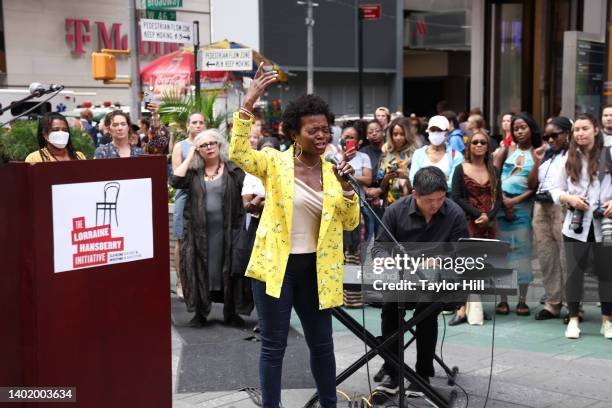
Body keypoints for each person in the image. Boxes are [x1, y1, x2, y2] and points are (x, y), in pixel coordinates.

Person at [229, 64, 359, 408]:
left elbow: (350, 223)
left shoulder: (334, 172)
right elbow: (239, 154)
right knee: (274, 345)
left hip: (317, 269)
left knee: (322, 345)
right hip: (278, 267)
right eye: (313, 130)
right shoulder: (274, 163)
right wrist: (249, 102)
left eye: (326, 130)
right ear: (293, 133)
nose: (322, 136)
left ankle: (330, 404)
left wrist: (347, 190)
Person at [373, 166, 470, 393]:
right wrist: (401, 263)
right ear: (415, 193)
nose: (435, 205)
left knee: (427, 311)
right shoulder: (395, 211)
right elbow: (378, 250)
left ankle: (422, 374)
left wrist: (440, 261)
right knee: (390, 310)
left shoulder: (454, 213)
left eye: (440, 198)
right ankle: (393, 370)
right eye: (429, 200)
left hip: (436, 284)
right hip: (401, 280)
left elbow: (463, 253)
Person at [170, 128, 252, 327]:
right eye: (203, 145)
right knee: (199, 269)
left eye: (212, 143)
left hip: (229, 231)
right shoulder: (194, 173)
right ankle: (200, 313)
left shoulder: (233, 170)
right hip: (200, 233)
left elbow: (250, 190)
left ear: (220, 145)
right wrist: (189, 155)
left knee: (230, 269)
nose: (209, 148)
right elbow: (175, 180)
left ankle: (231, 313)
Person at [550, 113, 612, 339]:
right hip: (575, 226)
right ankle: (573, 319)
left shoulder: (609, 154)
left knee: (607, 275)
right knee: (574, 275)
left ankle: (607, 321)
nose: (580, 133)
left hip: (604, 225)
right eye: (577, 129)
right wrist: (570, 199)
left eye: (585, 128)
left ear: (596, 129)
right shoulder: (568, 158)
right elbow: (554, 190)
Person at [449, 131, 502, 325]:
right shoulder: (460, 168)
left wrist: (489, 216)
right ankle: (461, 308)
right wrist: (477, 214)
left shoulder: (494, 170)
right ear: (469, 146)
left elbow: (499, 200)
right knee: (464, 267)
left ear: (488, 146)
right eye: (475, 142)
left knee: (482, 267)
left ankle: (476, 307)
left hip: (488, 224)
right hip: (467, 223)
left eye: (483, 142)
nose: (479, 145)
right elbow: (456, 197)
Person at [493, 113, 541, 316]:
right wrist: (503, 201)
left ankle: (522, 300)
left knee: (522, 254)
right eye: (516, 128)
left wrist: (514, 201)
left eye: (523, 127)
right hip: (501, 205)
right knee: (501, 253)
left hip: (522, 208)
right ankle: (503, 299)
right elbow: (494, 178)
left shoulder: (538, 152)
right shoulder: (505, 151)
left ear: (531, 128)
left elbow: (535, 186)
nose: (519, 131)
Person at [528, 116, 571, 320]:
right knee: (547, 256)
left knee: (566, 256)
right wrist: (538, 160)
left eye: (555, 135)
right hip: (541, 206)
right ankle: (553, 303)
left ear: (567, 134)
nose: (551, 140)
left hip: (563, 206)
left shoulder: (574, 154)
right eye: (547, 136)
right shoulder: (546, 154)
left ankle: (573, 306)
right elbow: (532, 183)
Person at [171, 112, 206, 300]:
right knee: (180, 240)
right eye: (194, 122)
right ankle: (180, 281)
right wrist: (192, 153)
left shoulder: (210, 144)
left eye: (201, 122)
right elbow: (177, 174)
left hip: (206, 196)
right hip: (184, 196)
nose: (198, 125)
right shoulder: (180, 146)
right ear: (188, 126)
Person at [409, 115, 464, 191]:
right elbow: (413, 181)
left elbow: (452, 184)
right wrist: (443, 179)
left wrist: (424, 181)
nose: (436, 133)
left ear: (447, 132)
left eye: (439, 130)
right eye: (433, 130)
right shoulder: (418, 154)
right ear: (428, 131)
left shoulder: (456, 156)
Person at [375, 117, 420, 208]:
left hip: (412, 204)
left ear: (407, 134)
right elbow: (380, 187)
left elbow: (421, 183)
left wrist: (407, 176)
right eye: (395, 134)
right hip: (389, 205)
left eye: (402, 134)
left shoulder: (417, 154)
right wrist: (387, 178)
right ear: (390, 136)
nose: (398, 138)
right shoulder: (386, 155)